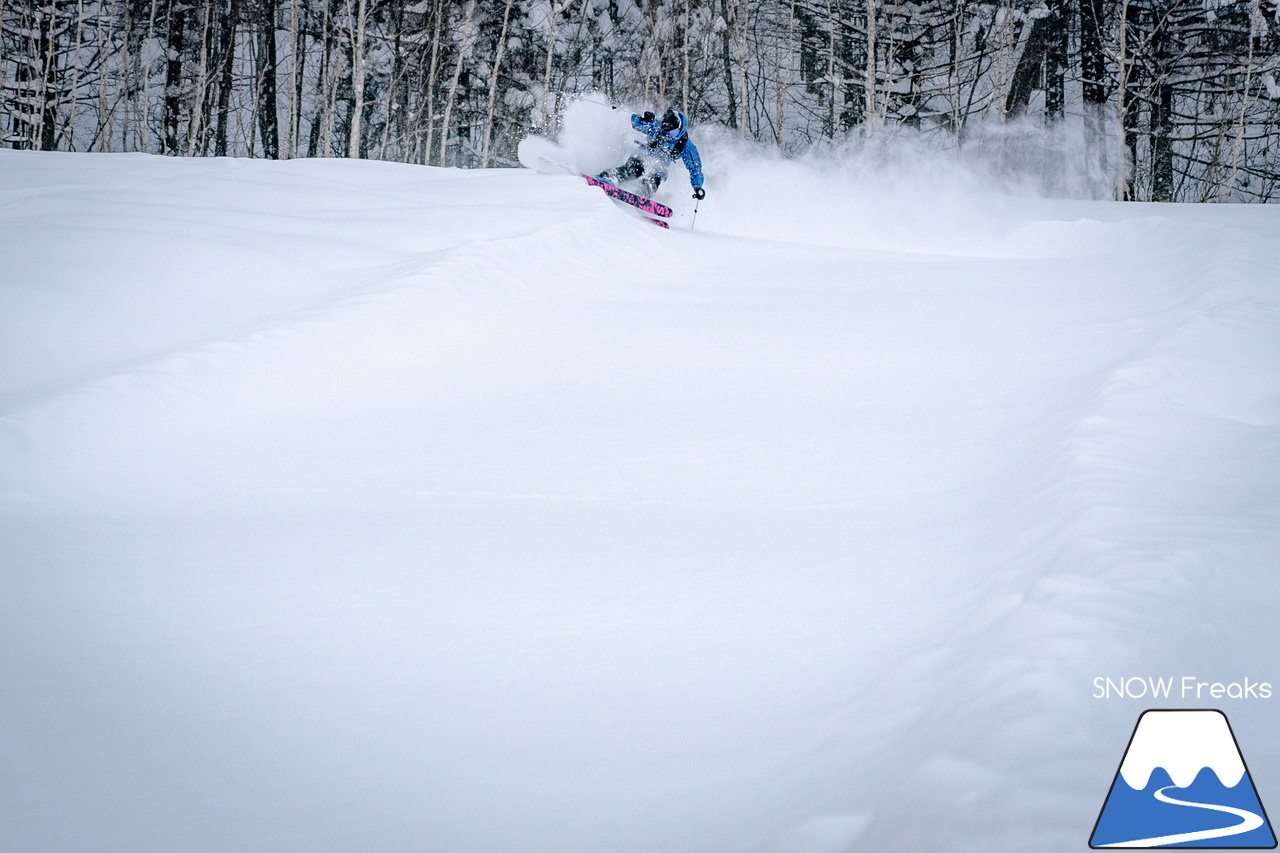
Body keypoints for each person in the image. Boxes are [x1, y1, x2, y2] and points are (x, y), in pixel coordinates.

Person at [599, 107, 705, 200]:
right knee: (633, 170)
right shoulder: (657, 125)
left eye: (671, 132)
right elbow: (635, 123)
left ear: (679, 128)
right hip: (642, 156)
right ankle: (609, 177)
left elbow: (695, 168)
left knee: (652, 181)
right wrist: (644, 119)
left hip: (659, 167)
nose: (667, 134)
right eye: (665, 130)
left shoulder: (686, 146)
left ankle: (640, 196)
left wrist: (698, 187)